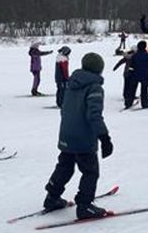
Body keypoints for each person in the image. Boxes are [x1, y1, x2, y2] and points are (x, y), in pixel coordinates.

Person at [43, 52, 114, 220]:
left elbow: (64, 107)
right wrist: (105, 138)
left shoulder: (71, 84)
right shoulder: (94, 87)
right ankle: (85, 206)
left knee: (65, 166)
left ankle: (52, 197)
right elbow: (94, 115)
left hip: (66, 134)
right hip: (83, 138)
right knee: (90, 171)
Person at [125, 41, 148, 109]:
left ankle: (128, 103)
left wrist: (129, 73)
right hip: (145, 75)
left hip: (135, 75)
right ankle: (145, 103)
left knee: (132, 90)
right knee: (144, 90)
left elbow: (131, 65)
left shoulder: (135, 56)